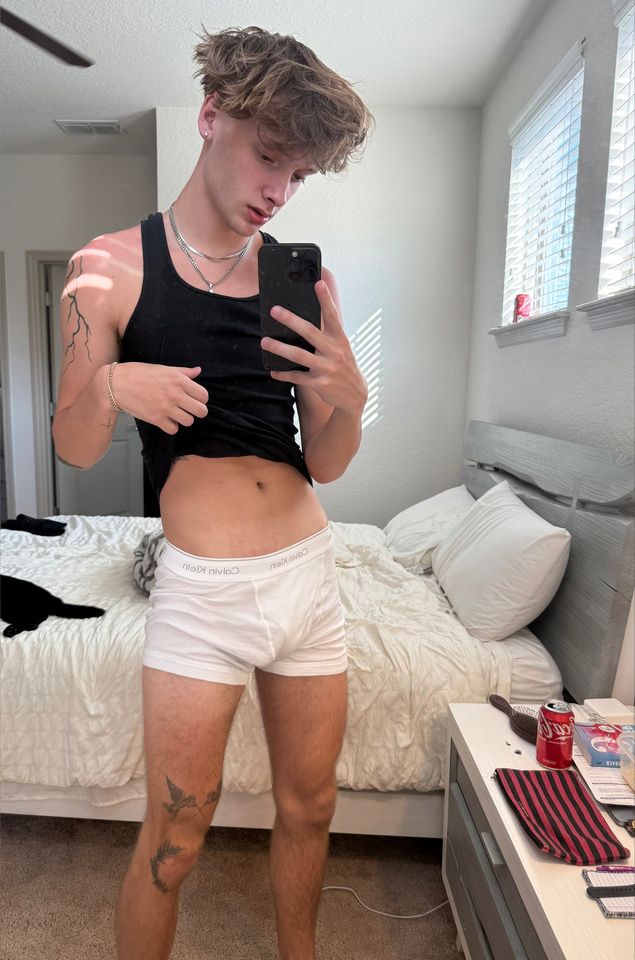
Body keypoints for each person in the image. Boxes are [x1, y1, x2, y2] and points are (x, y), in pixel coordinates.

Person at [52, 24, 374, 960]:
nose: (279, 191)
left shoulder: (302, 282)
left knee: (311, 807)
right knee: (175, 838)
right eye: (270, 157)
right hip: (202, 592)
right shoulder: (110, 267)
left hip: (309, 576)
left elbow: (328, 461)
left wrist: (351, 401)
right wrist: (113, 385)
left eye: (299, 175)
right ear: (211, 117)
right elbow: (73, 446)